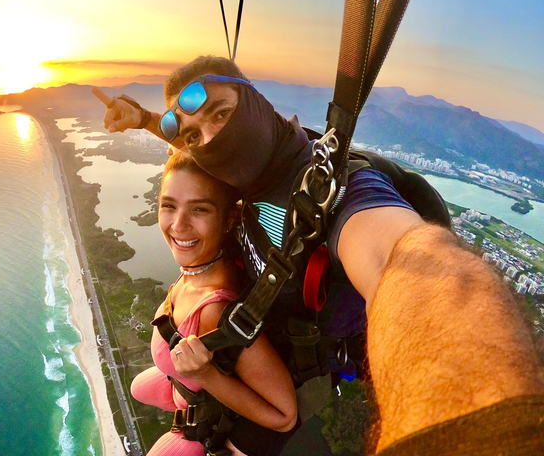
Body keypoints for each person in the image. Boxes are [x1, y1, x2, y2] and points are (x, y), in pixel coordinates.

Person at [93, 56, 544, 454]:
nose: (211, 139)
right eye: (193, 135)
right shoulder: (243, 177)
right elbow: (192, 144)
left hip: (301, 376)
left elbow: (408, 264)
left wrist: (482, 419)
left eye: (222, 112)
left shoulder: (335, 191)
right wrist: (144, 118)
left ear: (256, 102)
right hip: (260, 346)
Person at [130, 150, 299, 456]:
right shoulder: (205, 261)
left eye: (199, 210)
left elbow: (285, 416)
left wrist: (204, 375)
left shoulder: (215, 309)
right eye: (169, 205)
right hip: (183, 380)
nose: (178, 224)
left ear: (229, 218)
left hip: (199, 411)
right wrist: (145, 120)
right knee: (137, 388)